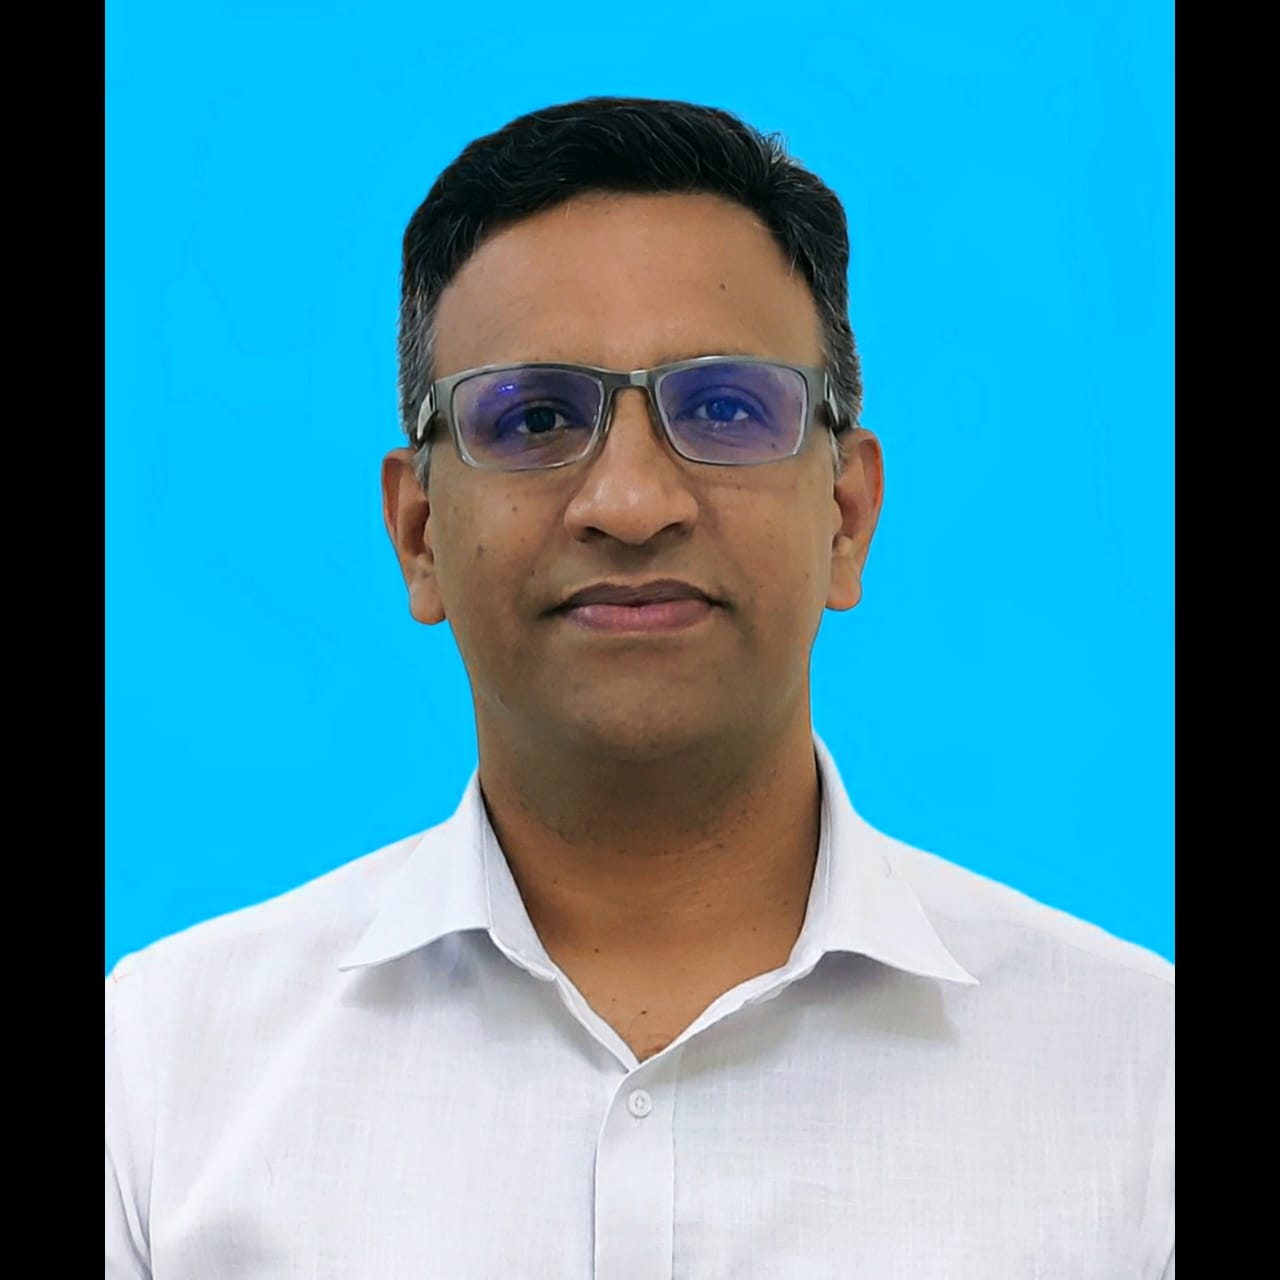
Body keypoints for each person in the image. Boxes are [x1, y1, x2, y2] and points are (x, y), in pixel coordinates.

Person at [105, 96, 1174, 1279]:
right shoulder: (158, 1075)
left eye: (723, 408)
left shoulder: (1136, 1078)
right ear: (416, 531)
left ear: (844, 515)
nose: (628, 502)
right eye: (533, 416)